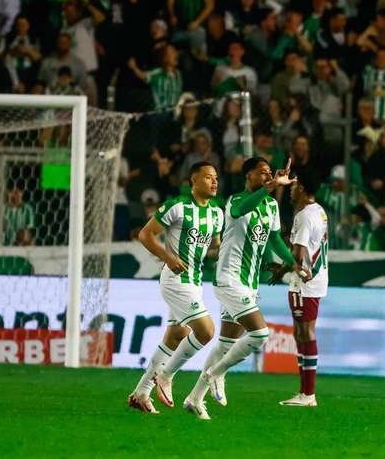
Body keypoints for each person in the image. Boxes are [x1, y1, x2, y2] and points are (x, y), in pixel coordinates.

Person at [182, 157, 298, 420]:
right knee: (260, 334)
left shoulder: (270, 205)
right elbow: (241, 210)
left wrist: (294, 264)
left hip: (249, 283)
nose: (267, 176)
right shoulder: (235, 201)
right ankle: (217, 373)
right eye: (261, 173)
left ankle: (195, 398)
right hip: (229, 278)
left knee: (226, 343)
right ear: (248, 176)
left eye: (270, 173)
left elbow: (275, 239)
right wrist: (269, 187)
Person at [127, 162, 224, 415]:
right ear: (193, 181)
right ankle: (167, 375)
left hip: (194, 281)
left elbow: (213, 248)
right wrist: (168, 257)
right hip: (174, 279)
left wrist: (225, 252)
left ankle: (141, 393)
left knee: (176, 336)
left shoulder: (217, 214)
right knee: (206, 331)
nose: (214, 182)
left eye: (215, 178)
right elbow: (145, 235)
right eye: (207, 177)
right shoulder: (177, 207)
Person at [271, 168, 328, 407]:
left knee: (305, 333)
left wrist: (281, 270)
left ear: (302, 188)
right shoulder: (319, 211)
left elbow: (298, 251)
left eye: (294, 185)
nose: (291, 188)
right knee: (301, 332)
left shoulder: (304, 215)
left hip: (304, 283)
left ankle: (308, 394)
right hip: (315, 278)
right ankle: (305, 392)